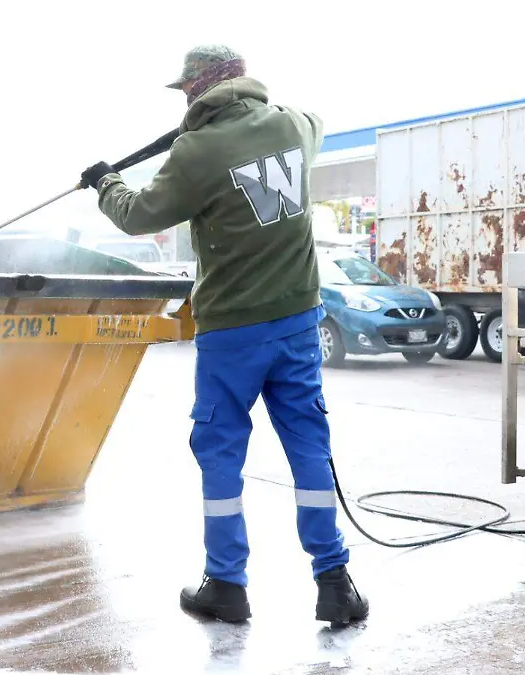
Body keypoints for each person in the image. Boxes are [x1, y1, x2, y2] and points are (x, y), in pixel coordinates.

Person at [78, 45, 368, 626]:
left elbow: (137, 214)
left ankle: (227, 585)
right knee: (308, 446)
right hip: (297, 322)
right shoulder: (293, 126)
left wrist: (106, 182)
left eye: (187, 89)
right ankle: (335, 582)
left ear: (198, 87)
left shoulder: (196, 151)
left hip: (232, 331)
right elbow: (315, 120)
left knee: (221, 454)